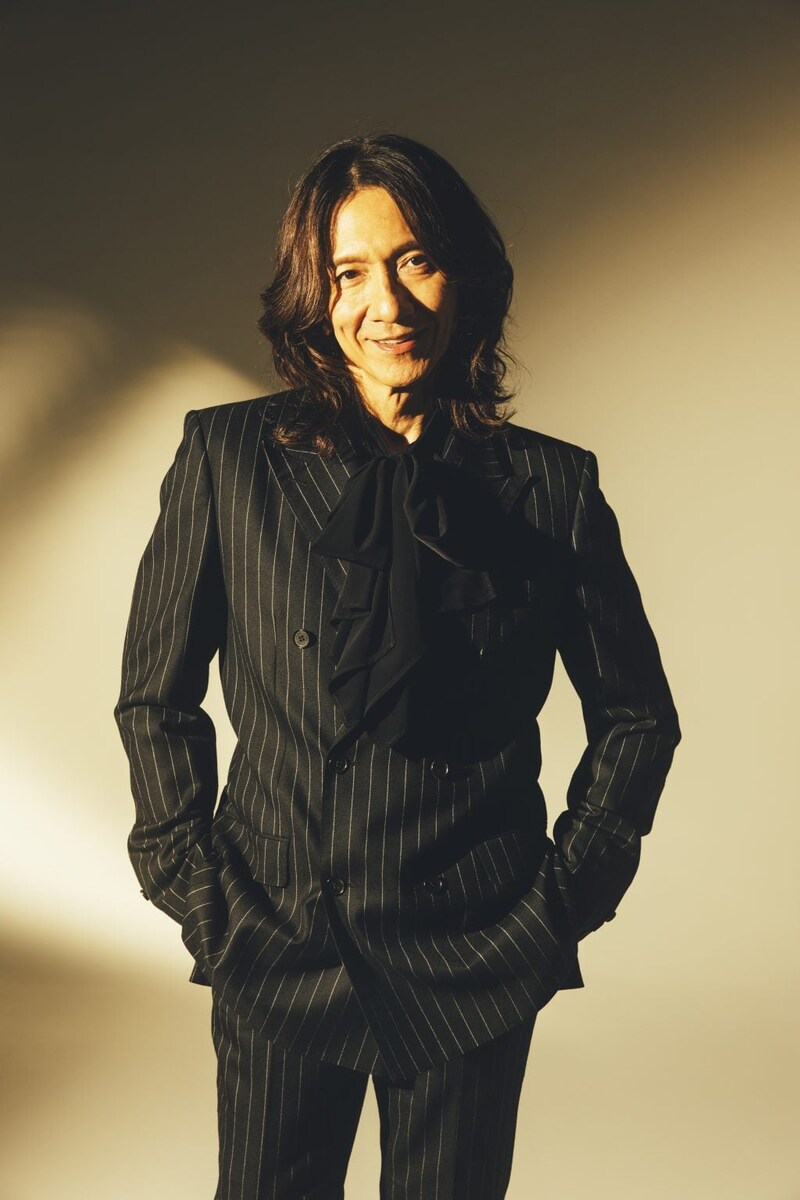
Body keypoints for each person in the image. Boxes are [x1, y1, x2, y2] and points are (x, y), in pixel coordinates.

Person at [115, 133, 681, 1200]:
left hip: (475, 951)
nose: (387, 304)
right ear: (315, 295)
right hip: (276, 938)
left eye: (415, 260)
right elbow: (156, 697)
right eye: (349, 273)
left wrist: (563, 901)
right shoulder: (227, 460)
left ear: (464, 275)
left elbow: (637, 716)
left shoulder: (549, 489)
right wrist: (192, 885)